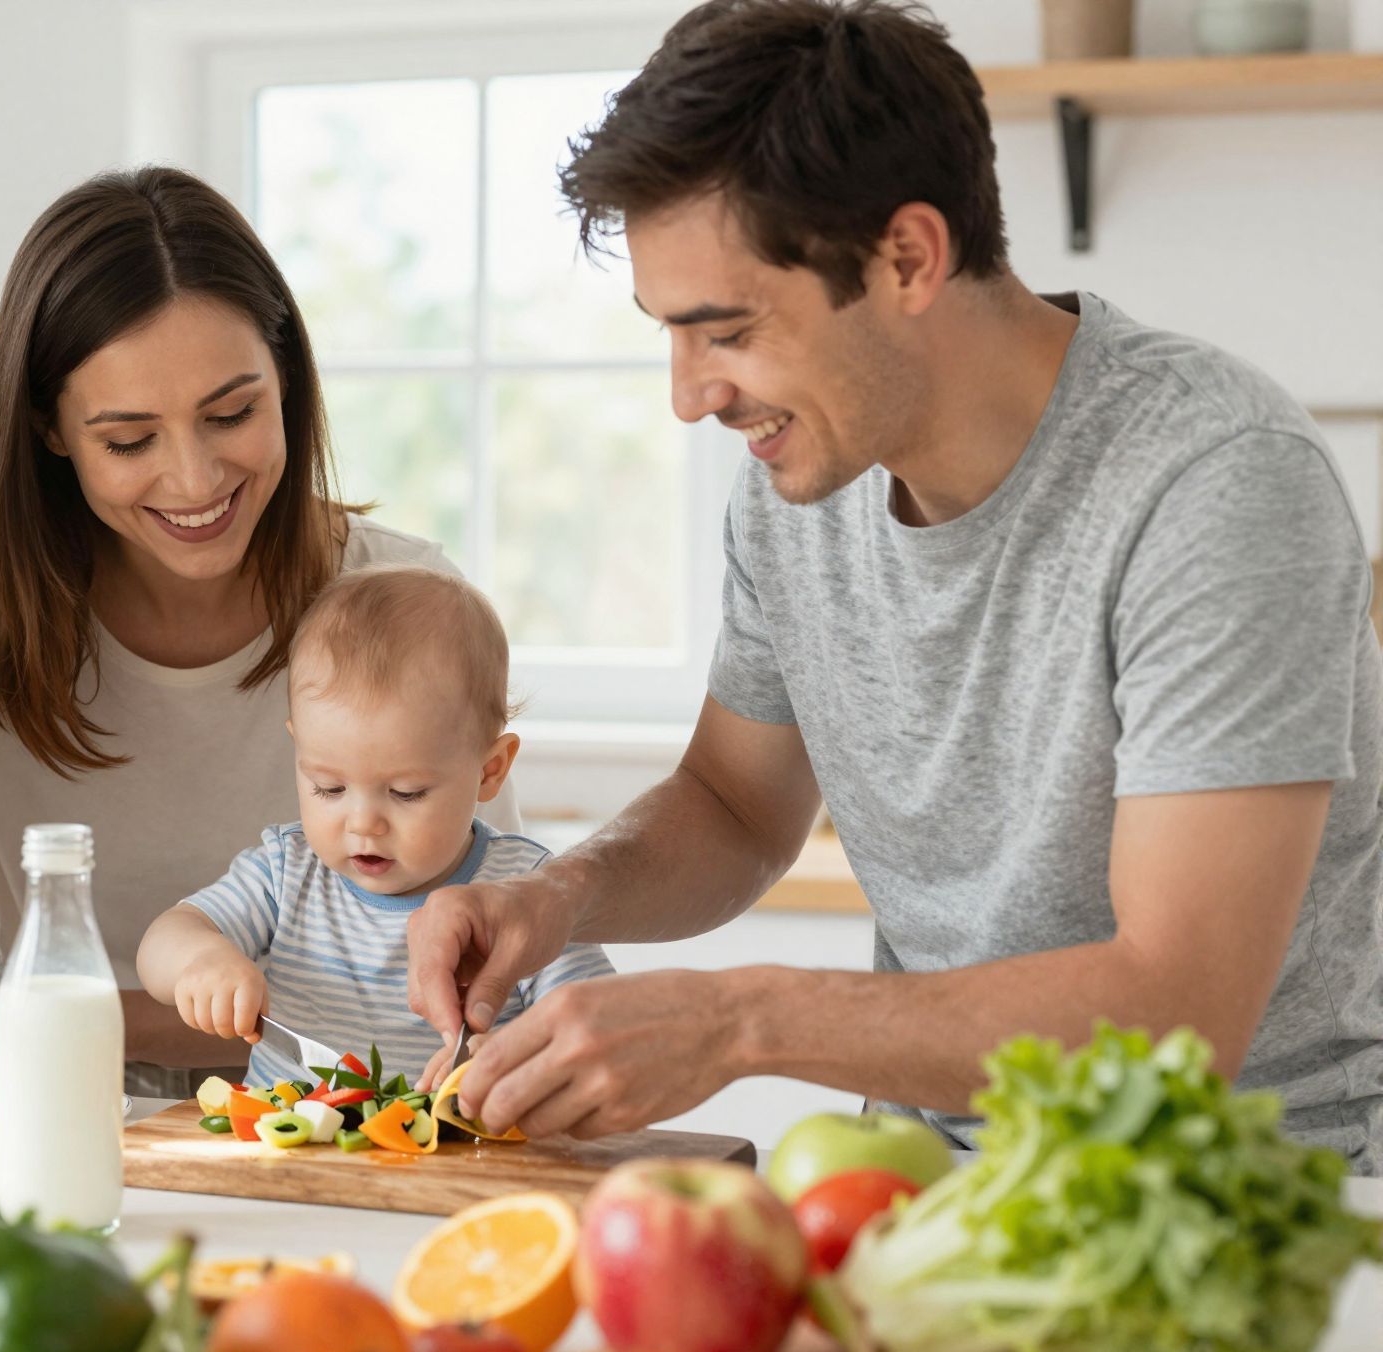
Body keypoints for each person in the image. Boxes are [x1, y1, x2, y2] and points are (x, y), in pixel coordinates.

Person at [407, 0, 1381, 1174]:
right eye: (666, 335)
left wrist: (738, 1020)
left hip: (1249, 1205)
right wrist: (556, 897)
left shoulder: (1214, 482)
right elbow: (730, 803)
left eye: (724, 332)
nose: (686, 396)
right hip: (920, 1187)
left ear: (907, 257)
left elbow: (1175, 1007)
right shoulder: (794, 489)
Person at [0, 166, 517, 1098]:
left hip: (361, 1119)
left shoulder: (402, 604)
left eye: (233, 413)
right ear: (50, 429)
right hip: (59, 1106)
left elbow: (486, 958)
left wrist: (85, 1017)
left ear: (287, 381)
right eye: (128, 441)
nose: (195, 481)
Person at [136, 565, 611, 1090]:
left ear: (489, 770)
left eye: (406, 793)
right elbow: (165, 938)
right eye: (328, 788)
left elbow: (591, 1025)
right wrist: (201, 961)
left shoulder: (525, 892)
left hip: (460, 1158)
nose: (363, 823)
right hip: (290, 1153)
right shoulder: (287, 870)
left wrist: (517, 1056)